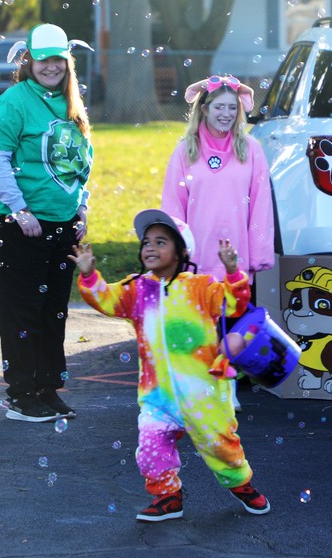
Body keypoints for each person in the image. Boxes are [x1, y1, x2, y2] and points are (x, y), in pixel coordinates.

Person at [68, 209, 270, 522]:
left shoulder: (201, 287)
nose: (150, 247)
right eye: (146, 242)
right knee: (150, 448)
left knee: (221, 448)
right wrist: (89, 275)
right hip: (157, 396)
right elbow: (107, 299)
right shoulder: (136, 289)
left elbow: (234, 302)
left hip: (203, 394)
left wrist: (232, 272)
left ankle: (240, 484)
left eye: (160, 242)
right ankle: (167, 497)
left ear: (180, 252)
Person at [0, 23, 94, 423]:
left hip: (62, 222)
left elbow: (79, 164)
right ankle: (21, 394)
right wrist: (20, 211)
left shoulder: (71, 104)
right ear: (27, 60)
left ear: (68, 61)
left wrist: (81, 208)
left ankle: (47, 388)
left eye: (58, 59)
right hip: (19, 224)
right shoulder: (13, 102)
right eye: (42, 58)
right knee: (22, 311)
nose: (51, 66)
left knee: (53, 310)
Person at [161, 74, 275, 409]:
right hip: (198, 252)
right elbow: (172, 205)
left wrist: (258, 253)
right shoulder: (185, 151)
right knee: (198, 324)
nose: (225, 114)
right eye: (218, 107)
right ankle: (196, 385)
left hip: (234, 255)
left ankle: (227, 388)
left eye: (232, 107)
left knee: (231, 322)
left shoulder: (250, 150)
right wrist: (175, 253)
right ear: (204, 109)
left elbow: (261, 204)